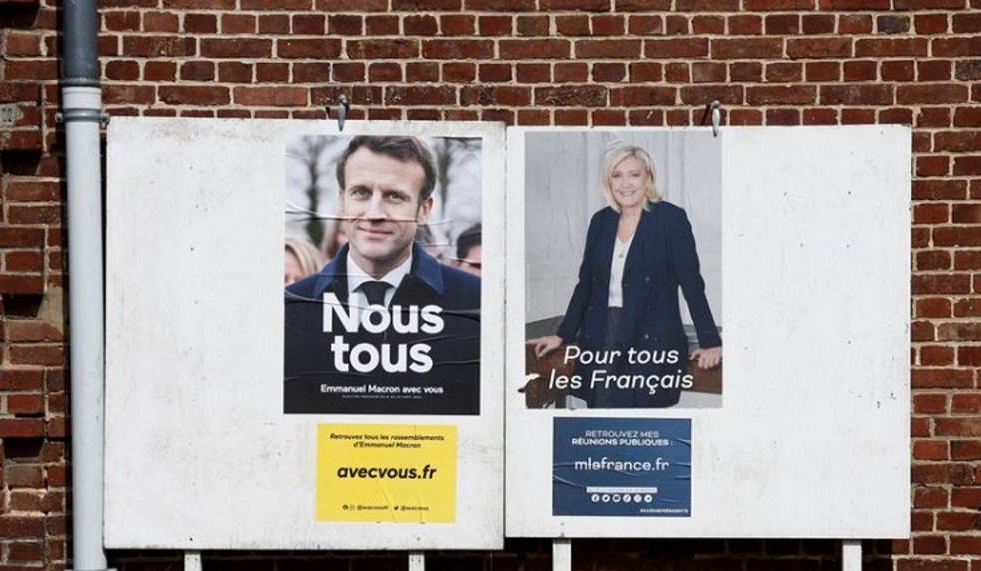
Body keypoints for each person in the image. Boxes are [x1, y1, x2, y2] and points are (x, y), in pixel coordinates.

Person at [285, 135, 481, 415]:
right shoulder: (291, 308)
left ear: (424, 210)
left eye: (394, 196)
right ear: (342, 201)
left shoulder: (475, 304)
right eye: (361, 192)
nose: (374, 213)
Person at [527, 144, 721, 408]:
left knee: (643, 423)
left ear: (648, 177)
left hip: (651, 337)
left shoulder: (670, 219)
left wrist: (710, 341)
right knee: (603, 416)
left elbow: (692, 284)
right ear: (609, 182)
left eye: (634, 174)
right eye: (617, 175)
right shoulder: (600, 222)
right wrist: (563, 335)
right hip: (602, 335)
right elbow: (586, 286)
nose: (625, 184)